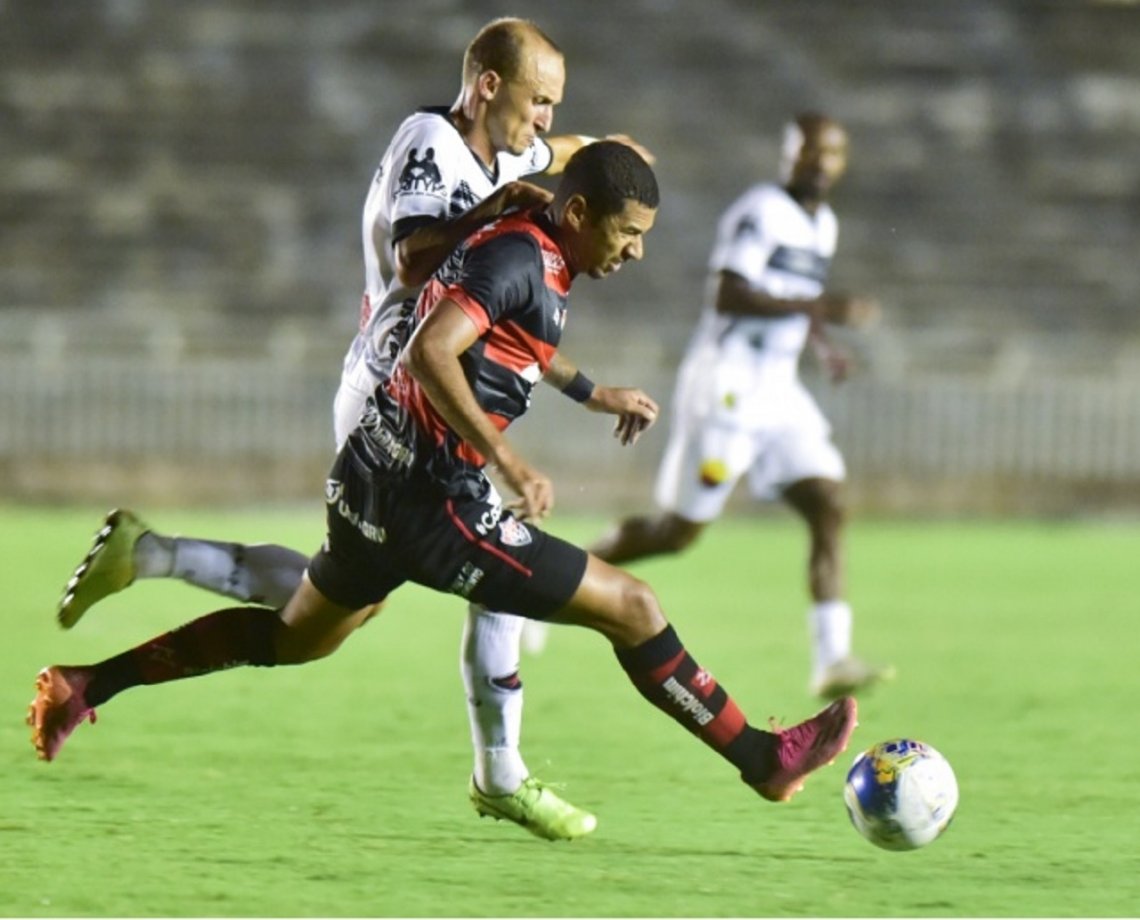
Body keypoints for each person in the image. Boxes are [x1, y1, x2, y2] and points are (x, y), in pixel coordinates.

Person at [29, 143, 858, 835]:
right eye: (629, 232)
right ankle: (762, 760)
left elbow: (510, 337)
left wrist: (592, 392)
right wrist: (507, 460)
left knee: (295, 639)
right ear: (579, 216)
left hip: (370, 476)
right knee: (633, 608)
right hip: (436, 506)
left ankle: (84, 685)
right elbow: (433, 348)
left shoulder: (533, 243)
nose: (636, 250)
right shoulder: (521, 256)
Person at [50, 17, 654, 841]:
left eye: (555, 104)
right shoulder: (430, 142)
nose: (546, 118)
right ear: (487, 86)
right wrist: (494, 208)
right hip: (397, 393)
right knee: (498, 567)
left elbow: (566, 161)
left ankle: (151, 555)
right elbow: (413, 261)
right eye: (538, 99)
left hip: (429, 392)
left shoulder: (514, 152)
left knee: (326, 616)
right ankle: (500, 773)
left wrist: (614, 157)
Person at [529, 113, 892, 700]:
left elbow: (795, 299)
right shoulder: (760, 211)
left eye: (832, 154)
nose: (821, 165)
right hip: (728, 385)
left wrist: (822, 343)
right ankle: (542, 588)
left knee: (829, 502)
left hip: (779, 387)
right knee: (674, 533)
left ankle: (833, 659)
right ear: (789, 154)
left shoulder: (822, 224)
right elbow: (730, 291)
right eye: (810, 152)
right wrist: (823, 310)